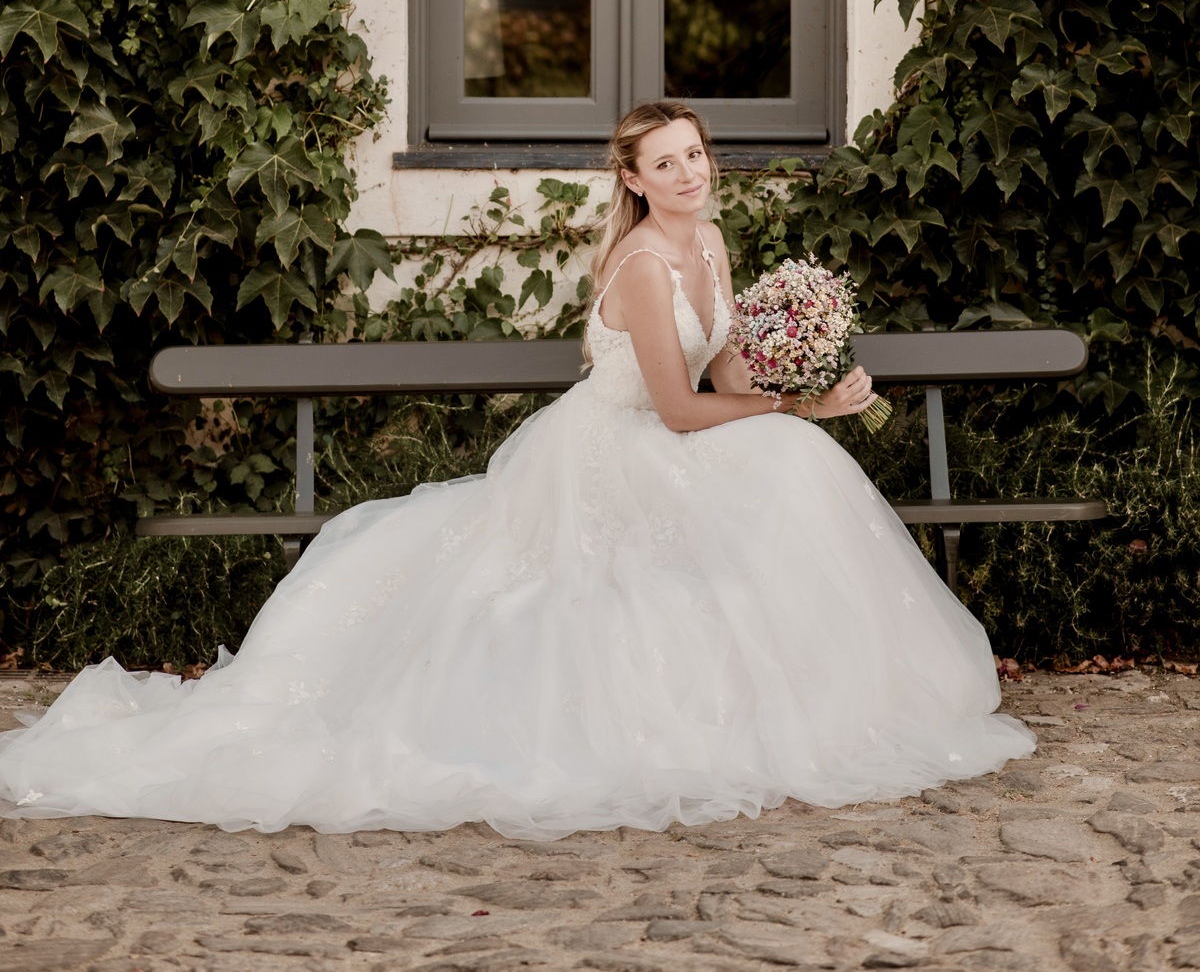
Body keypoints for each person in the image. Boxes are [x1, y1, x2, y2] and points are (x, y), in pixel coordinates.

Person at [0, 99, 1032, 836]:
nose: (687, 173)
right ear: (630, 180)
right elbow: (675, 410)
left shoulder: (712, 239)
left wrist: (805, 377)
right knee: (643, 554)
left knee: (792, 467)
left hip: (678, 430)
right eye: (663, 164)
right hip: (619, 444)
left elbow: (721, 368)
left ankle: (817, 693)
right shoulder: (636, 266)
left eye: (695, 155)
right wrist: (796, 405)